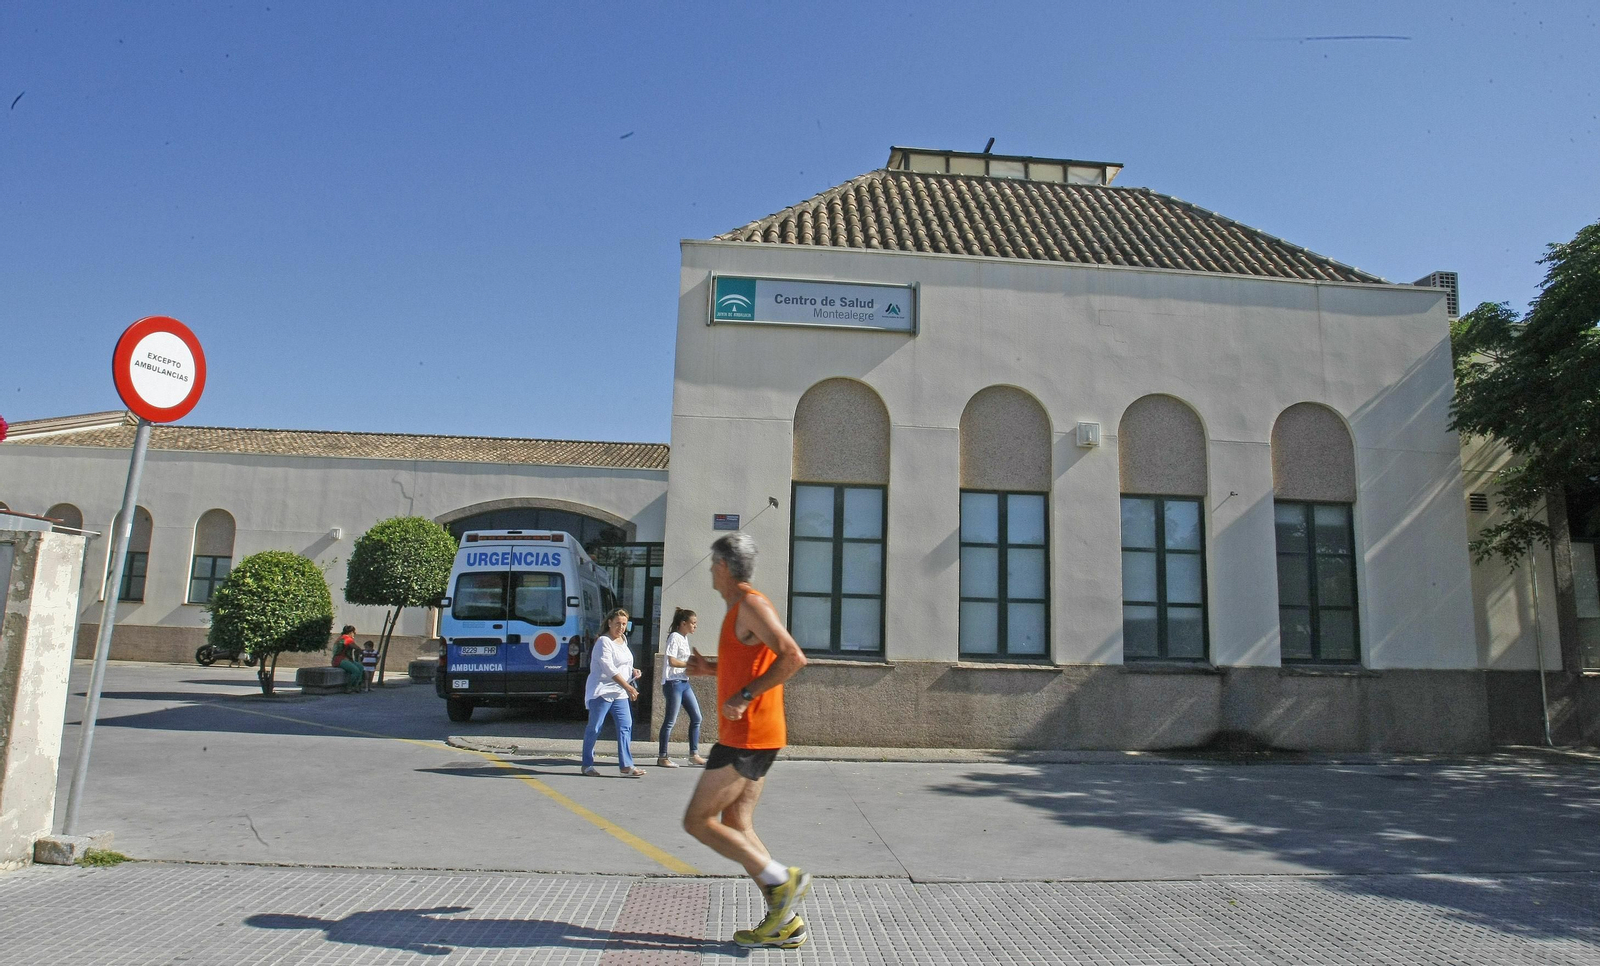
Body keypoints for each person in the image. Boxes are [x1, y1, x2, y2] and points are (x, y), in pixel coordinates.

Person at [682, 533, 811, 949]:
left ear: (723, 566)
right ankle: (785, 923)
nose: (709, 572)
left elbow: (792, 656)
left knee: (697, 821)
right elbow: (750, 662)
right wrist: (712, 671)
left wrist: (744, 696)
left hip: (748, 735)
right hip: (754, 734)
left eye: (711, 565)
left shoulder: (751, 604)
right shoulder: (739, 609)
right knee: (737, 823)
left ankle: (781, 879)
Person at [581, 608, 646, 778]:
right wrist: (629, 687)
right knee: (595, 727)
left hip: (619, 693)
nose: (621, 627)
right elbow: (609, 668)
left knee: (626, 725)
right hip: (602, 691)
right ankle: (587, 765)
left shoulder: (622, 641)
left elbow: (623, 663)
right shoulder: (603, 641)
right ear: (609, 623)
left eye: (624, 624)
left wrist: (632, 670)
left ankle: (626, 765)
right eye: (618, 623)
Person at [657, 608, 706, 768]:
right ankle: (662, 756)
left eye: (696, 623)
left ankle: (694, 754)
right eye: (693, 623)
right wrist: (689, 664)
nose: (695, 626)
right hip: (673, 683)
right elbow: (672, 661)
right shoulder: (674, 637)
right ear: (683, 623)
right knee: (670, 721)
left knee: (697, 717)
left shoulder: (684, 638)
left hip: (684, 683)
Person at [333, 626, 363, 694]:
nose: (355, 634)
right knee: (356, 671)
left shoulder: (341, 637)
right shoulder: (347, 638)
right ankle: (349, 687)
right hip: (340, 660)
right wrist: (361, 651)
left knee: (360, 667)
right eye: (354, 632)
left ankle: (356, 686)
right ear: (351, 632)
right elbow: (355, 647)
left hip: (345, 659)